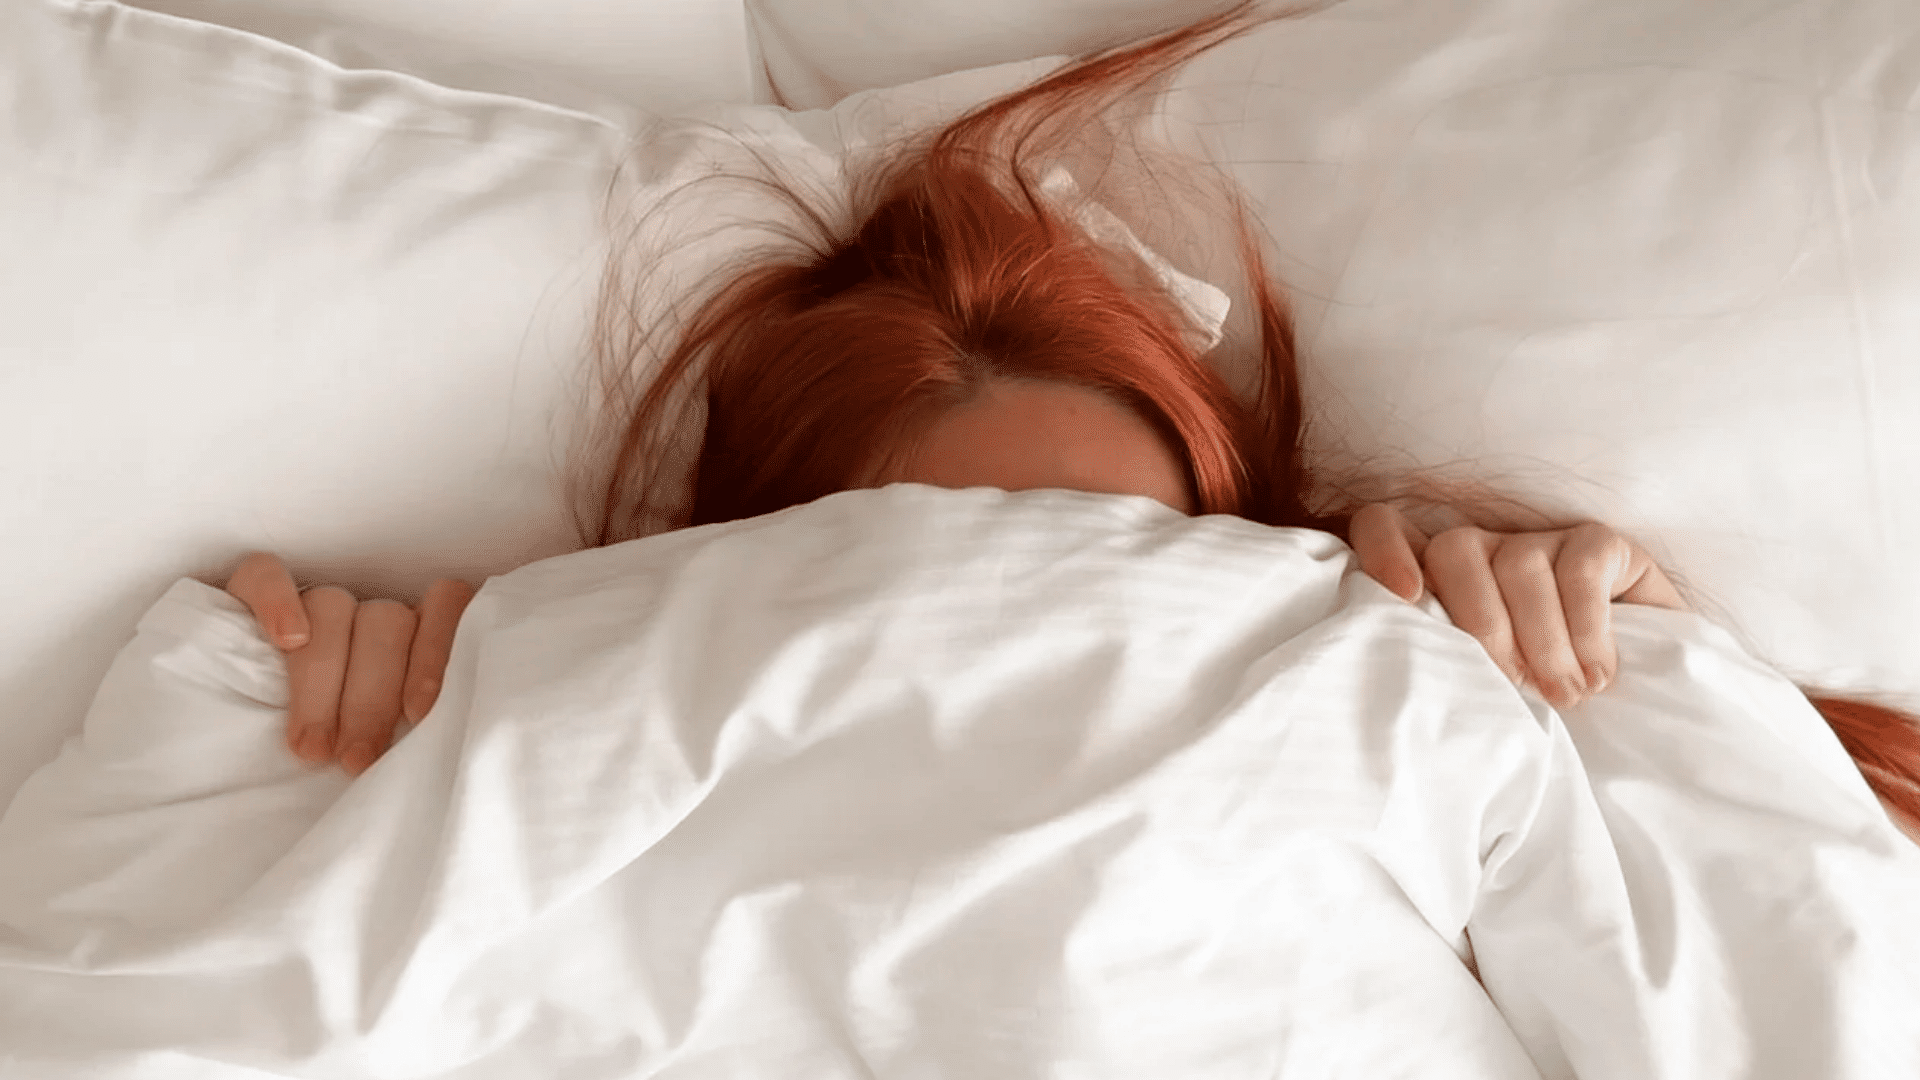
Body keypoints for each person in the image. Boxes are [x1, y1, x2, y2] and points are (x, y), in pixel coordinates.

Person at [225, 2, 1919, 841]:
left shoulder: (1388, 743)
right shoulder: (556, 783)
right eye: (958, 578)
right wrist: (310, 768)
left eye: (1142, 574)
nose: (1063, 650)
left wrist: (1654, 706)